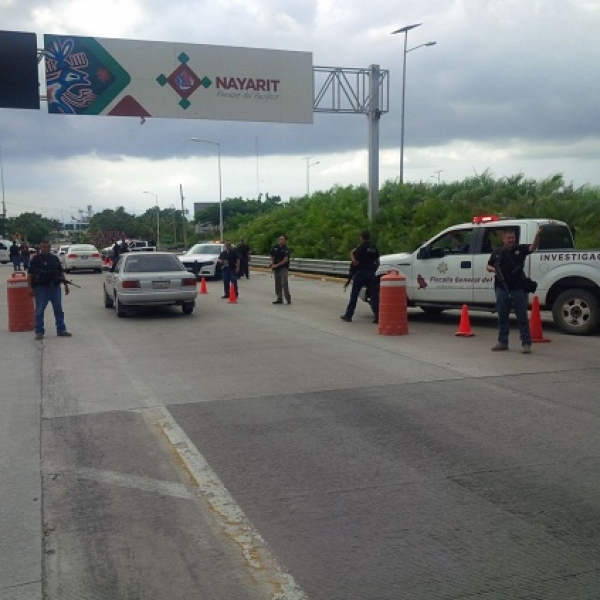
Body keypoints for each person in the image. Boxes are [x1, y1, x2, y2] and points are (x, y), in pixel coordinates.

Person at [486, 226, 542, 353]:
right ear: (503, 239)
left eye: (513, 238)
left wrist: (538, 235)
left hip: (518, 288)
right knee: (502, 317)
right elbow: (488, 265)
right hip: (502, 288)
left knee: (522, 317)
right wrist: (494, 270)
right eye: (508, 238)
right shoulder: (497, 252)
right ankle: (502, 342)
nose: (511, 240)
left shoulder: (520, 249)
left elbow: (533, 248)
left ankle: (526, 344)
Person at [27, 239, 72, 340]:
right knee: (39, 311)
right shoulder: (36, 259)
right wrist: (29, 288)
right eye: (44, 247)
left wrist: (65, 285)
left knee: (58, 310)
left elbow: (61, 272)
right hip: (41, 288)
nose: (46, 249)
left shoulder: (55, 258)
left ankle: (61, 330)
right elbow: (30, 275)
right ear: (40, 248)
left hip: (55, 288)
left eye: (48, 247)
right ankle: (39, 331)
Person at [340, 230, 380, 323]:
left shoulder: (360, 248)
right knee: (374, 296)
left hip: (361, 274)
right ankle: (378, 316)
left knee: (354, 295)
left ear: (361, 237)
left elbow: (355, 262)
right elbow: (378, 262)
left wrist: (351, 255)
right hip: (371, 274)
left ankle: (348, 315)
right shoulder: (374, 248)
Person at [270, 235, 291, 304]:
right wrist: (272, 264)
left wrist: (277, 265)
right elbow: (272, 255)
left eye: (282, 239)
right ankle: (279, 298)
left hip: (283, 268)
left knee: (284, 283)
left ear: (285, 241)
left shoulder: (286, 249)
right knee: (277, 283)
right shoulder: (275, 247)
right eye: (280, 239)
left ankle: (287, 298)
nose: (280, 241)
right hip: (276, 268)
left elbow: (285, 260)